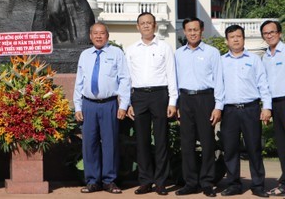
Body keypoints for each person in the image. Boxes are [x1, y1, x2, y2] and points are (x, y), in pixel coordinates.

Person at [73, 23, 130, 194]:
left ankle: (109, 180)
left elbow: (125, 79)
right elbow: (79, 82)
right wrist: (78, 106)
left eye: (102, 33)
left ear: (107, 35)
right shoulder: (85, 55)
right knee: (89, 144)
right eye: (95, 33)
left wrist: (124, 105)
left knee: (110, 143)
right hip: (89, 104)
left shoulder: (116, 53)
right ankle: (92, 181)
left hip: (109, 104)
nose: (99, 36)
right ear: (90, 36)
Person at [126, 12, 177, 195]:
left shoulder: (164, 47)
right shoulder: (131, 50)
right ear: (137, 27)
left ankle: (161, 182)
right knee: (142, 141)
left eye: (149, 23)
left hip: (159, 95)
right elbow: (127, 79)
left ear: (154, 26)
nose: (146, 26)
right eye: (142, 23)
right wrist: (128, 103)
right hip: (138, 97)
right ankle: (145, 180)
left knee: (162, 140)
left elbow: (171, 75)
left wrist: (172, 101)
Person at [220, 25, 271, 198]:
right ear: (227, 40)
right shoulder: (221, 61)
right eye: (232, 37)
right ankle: (234, 184)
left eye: (239, 36)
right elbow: (218, 88)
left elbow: (263, 85)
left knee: (254, 148)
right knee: (230, 149)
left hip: (251, 109)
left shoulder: (255, 59)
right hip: (229, 111)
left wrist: (267, 107)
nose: (235, 39)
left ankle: (258, 185)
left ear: (244, 39)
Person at [174, 18, 223, 197]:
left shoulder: (212, 52)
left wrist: (218, 106)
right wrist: (176, 104)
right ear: (184, 32)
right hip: (185, 99)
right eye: (189, 30)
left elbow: (219, 81)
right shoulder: (178, 54)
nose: (192, 33)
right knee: (186, 144)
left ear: (201, 31)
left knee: (207, 142)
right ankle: (190, 182)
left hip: (206, 99)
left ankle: (207, 182)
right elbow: (175, 81)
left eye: (196, 29)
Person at [261, 20, 285, 196]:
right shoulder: (265, 57)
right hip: (275, 105)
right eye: (266, 33)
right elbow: (265, 85)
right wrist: (266, 107)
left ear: (279, 33)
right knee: (282, 145)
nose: (269, 35)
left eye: (272, 32)